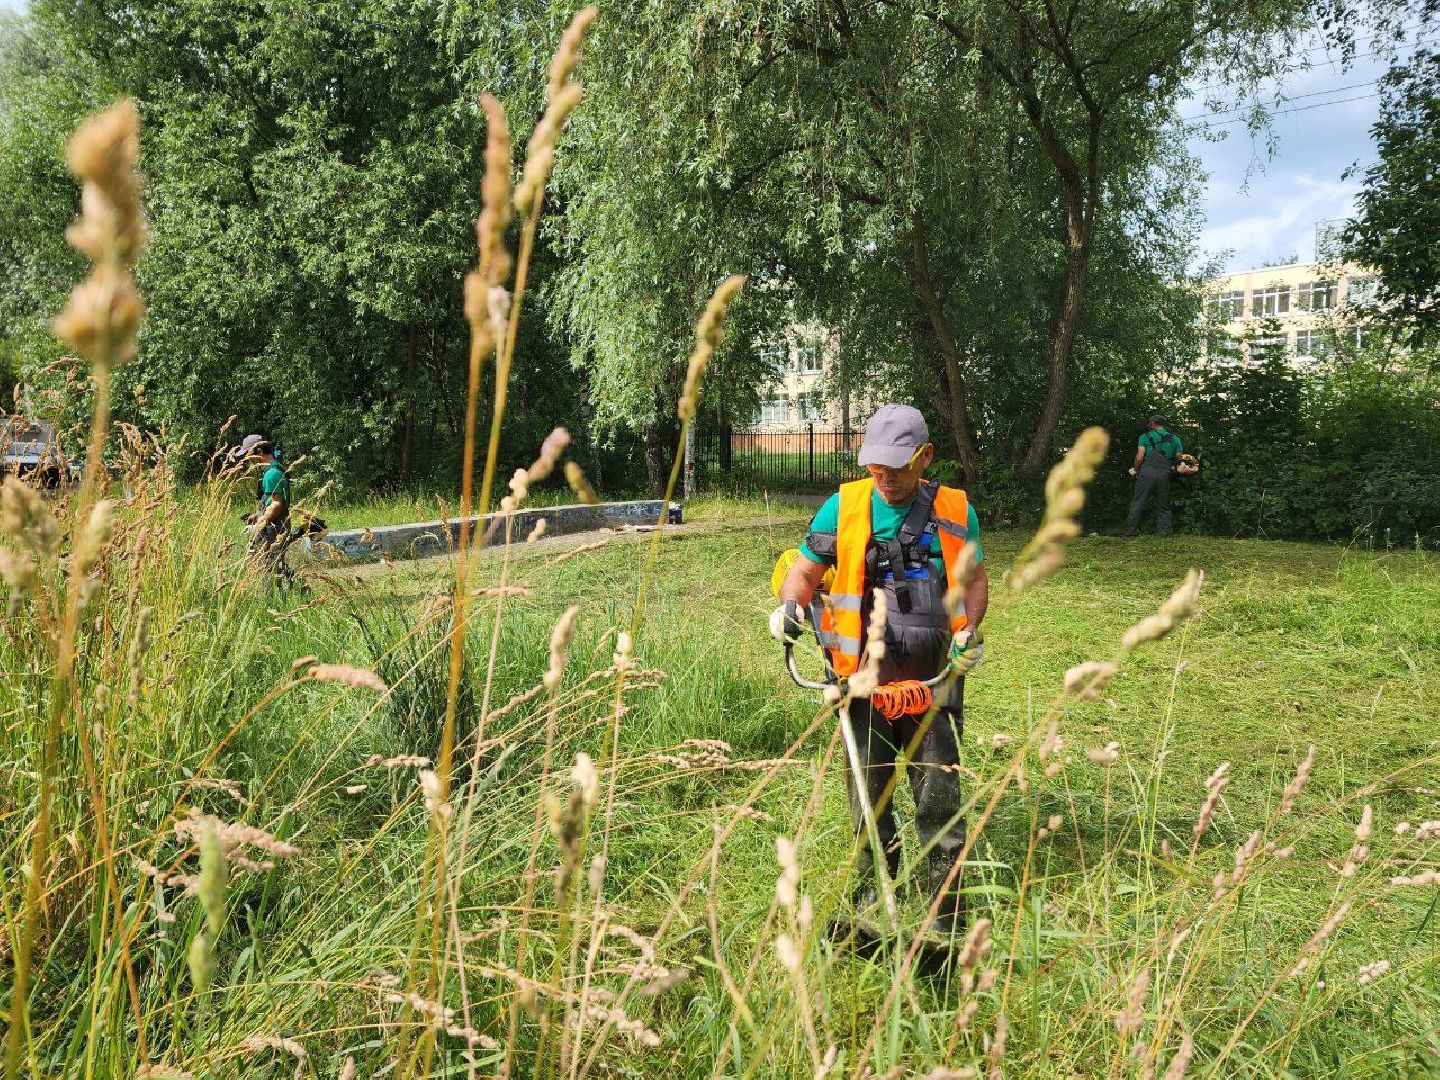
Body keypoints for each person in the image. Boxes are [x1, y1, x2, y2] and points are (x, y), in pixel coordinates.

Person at [770, 404, 988, 934]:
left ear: (925, 457)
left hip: (931, 677)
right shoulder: (840, 509)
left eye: (897, 466)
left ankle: (947, 905)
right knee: (868, 792)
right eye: (875, 467)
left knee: (938, 789)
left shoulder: (956, 511)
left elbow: (975, 581)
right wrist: (790, 608)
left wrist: (968, 630)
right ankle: (874, 887)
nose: (885, 478)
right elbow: (803, 573)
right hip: (859, 676)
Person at [1125, 413, 1182, 537]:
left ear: (1153, 423)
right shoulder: (1175, 438)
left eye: (1149, 422)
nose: (1148, 424)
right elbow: (1179, 458)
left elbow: (1140, 457)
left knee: (1138, 501)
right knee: (1163, 503)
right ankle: (1165, 533)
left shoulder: (1144, 437)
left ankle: (1131, 532)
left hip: (1147, 471)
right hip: (1165, 472)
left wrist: (1136, 469)